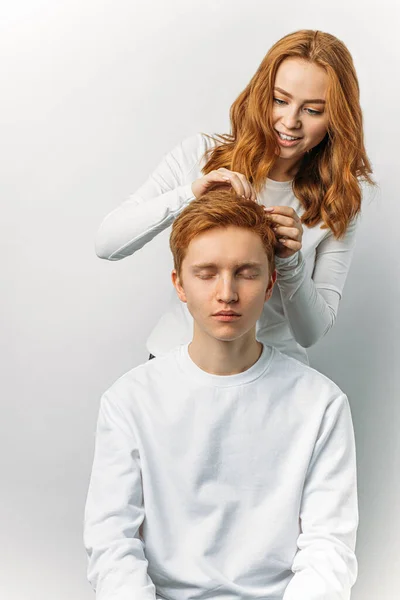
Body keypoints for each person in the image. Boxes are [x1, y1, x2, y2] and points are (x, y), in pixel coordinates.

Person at [84, 189, 359, 600]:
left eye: (246, 272)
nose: (227, 293)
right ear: (179, 284)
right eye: (207, 272)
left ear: (270, 286)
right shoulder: (129, 401)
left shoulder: (321, 404)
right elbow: (112, 545)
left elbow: (328, 550)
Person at [94, 29, 374, 364]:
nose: (290, 121)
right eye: (280, 100)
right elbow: (107, 243)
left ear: (336, 119)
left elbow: (311, 333)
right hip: (178, 362)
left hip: (277, 376)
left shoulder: (338, 202)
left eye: (312, 110)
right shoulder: (198, 157)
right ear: (261, 94)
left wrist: (290, 262)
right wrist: (190, 195)